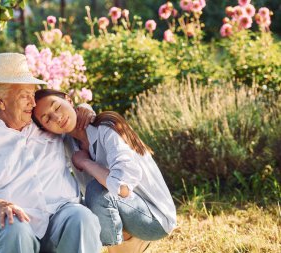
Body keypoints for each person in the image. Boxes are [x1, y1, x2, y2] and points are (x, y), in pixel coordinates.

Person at [0, 53, 102, 253]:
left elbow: (69, 119)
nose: (33, 103)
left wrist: (82, 110)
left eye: (33, 94)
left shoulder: (44, 123)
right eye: (24, 96)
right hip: (6, 223)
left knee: (82, 217)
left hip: (58, 215)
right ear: (1, 101)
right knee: (16, 228)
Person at [32, 89, 177, 253]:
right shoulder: (66, 143)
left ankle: (123, 246)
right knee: (74, 210)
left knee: (96, 190)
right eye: (47, 119)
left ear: (68, 100)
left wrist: (85, 162)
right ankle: (126, 241)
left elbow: (121, 187)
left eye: (57, 107)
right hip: (128, 209)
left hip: (154, 219)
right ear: (45, 128)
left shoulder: (107, 127)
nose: (57, 118)